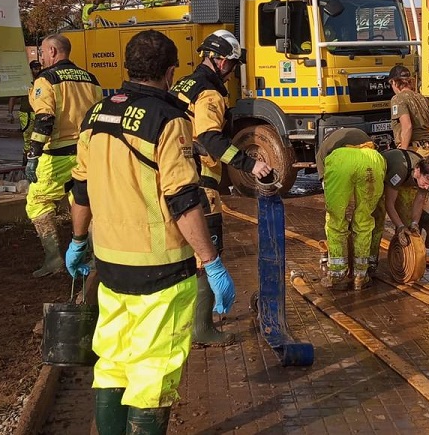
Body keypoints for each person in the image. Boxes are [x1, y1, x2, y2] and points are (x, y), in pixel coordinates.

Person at [64, 29, 235, 435]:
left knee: (112, 361)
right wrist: (211, 261)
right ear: (171, 70)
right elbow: (182, 198)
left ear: (128, 66)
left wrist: (76, 241)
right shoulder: (170, 119)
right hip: (161, 272)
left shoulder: (96, 116)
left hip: (109, 264)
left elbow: (81, 189)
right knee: (152, 374)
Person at [170, 29, 272, 344]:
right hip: (199, 181)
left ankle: (184, 319)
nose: (231, 72)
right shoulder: (210, 94)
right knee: (206, 252)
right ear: (216, 60)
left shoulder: (184, 84)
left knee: (182, 251)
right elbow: (209, 138)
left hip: (176, 175)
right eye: (229, 64)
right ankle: (203, 328)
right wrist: (250, 163)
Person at [24, 34, 102, 278]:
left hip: (56, 155)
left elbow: (44, 118)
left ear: (54, 52)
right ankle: (94, 258)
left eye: (44, 52)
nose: (42, 57)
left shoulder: (45, 80)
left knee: (37, 203)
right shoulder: (91, 79)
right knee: (82, 202)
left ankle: (53, 258)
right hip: (87, 153)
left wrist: (33, 154)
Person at [315, 127, 386, 290]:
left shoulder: (324, 148)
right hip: (372, 160)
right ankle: (361, 275)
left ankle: (337, 274)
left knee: (335, 219)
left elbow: (325, 185)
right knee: (364, 220)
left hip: (341, 161)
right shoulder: (361, 134)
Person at [373, 147, 429, 258]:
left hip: (406, 180)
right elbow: (389, 204)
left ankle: (405, 257)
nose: (427, 187)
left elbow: (419, 201)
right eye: (426, 182)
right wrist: (400, 227)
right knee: (377, 221)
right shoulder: (399, 170)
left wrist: (414, 223)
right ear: (418, 171)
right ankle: (371, 260)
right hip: (383, 177)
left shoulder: (427, 176)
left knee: (407, 220)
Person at [388, 64, 429, 154]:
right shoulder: (423, 98)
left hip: (412, 151)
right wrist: (428, 146)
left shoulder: (398, 99)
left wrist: (403, 153)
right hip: (428, 151)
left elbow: (407, 127)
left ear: (394, 82)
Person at [8, 60, 41, 157]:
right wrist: (10, 113)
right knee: (28, 140)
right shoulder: (25, 82)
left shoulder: (41, 80)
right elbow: (13, 97)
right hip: (26, 114)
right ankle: (26, 161)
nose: (38, 70)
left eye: (39, 68)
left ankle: (33, 160)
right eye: (35, 69)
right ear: (30, 70)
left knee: (38, 139)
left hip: (38, 113)